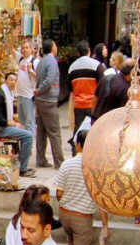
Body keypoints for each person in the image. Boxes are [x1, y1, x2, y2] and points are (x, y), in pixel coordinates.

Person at [54, 129, 109, 245]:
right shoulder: (95, 168)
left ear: (77, 144)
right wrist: (105, 225)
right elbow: (101, 199)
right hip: (82, 219)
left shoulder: (67, 164)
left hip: (65, 215)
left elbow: (59, 192)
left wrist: (66, 203)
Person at [0, 71, 35, 177]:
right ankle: (22, 168)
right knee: (28, 136)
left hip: (4, 125)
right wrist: (10, 123)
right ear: (5, 81)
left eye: (15, 80)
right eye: (11, 80)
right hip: (0, 128)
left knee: (25, 131)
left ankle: (19, 164)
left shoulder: (8, 93)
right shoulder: (0, 95)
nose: (13, 82)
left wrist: (14, 122)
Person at [67, 40, 103, 153]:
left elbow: (70, 88)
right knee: (94, 131)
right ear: (89, 50)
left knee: (78, 131)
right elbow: (103, 83)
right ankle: (91, 154)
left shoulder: (72, 67)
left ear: (78, 53)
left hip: (78, 105)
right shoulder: (96, 65)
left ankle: (76, 154)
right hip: (93, 104)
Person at [34, 39, 64, 169]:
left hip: (41, 100)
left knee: (41, 131)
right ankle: (59, 161)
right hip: (48, 100)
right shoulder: (52, 61)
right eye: (55, 45)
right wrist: (40, 90)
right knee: (54, 132)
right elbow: (50, 80)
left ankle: (41, 159)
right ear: (52, 48)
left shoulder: (41, 61)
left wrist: (38, 91)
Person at [16, 40, 39, 135]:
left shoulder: (35, 61)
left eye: (27, 48)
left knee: (29, 121)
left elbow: (40, 77)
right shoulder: (21, 60)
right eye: (23, 48)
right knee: (21, 121)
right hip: (20, 94)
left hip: (28, 96)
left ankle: (30, 145)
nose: (24, 50)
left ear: (31, 49)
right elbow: (11, 49)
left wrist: (31, 71)